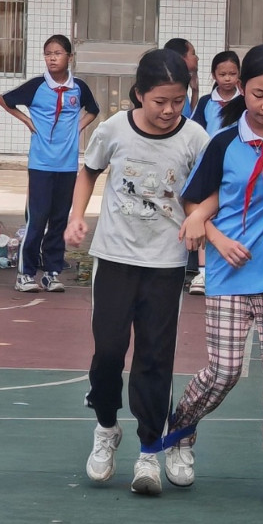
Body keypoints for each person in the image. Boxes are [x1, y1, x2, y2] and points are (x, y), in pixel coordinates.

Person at [164, 45, 263, 505]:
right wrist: (217, 240)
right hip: (229, 276)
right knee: (224, 371)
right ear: (241, 89)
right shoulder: (223, 143)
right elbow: (193, 202)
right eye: (258, 94)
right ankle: (181, 429)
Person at [65, 49, 209, 496]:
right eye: (160, 101)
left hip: (165, 264)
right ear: (139, 94)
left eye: (178, 101)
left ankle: (150, 450)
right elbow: (88, 172)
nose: (169, 110)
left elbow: (211, 190)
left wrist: (199, 217)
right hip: (114, 258)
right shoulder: (113, 130)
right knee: (109, 352)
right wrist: (76, 216)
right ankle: (107, 427)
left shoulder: (195, 138)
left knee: (154, 358)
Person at [0, 35, 100, 292]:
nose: (52, 58)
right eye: (48, 54)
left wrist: (77, 127)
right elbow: (4, 100)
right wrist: (27, 120)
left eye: (57, 53)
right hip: (41, 164)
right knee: (37, 219)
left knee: (59, 220)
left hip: (67, 166)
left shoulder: (78, 87)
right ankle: (25, 274)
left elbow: (94, 110)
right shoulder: (36, 86)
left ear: (70, 57)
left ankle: (51, 273)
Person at [188, 50, 242, 296]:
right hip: (210, 165)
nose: (228, 79)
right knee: (204, 215)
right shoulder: (206, 102)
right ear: (213, 75)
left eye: (232, 73)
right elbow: (196, 130)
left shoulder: (245, 101)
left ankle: (230, 264)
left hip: (237, 165)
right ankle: (202, 272)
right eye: (223, 74)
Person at [164, 38, 200, 113]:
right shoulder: (169, 83)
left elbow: (189, 116)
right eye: (193, 54)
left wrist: (195, 91)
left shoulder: (181, 81)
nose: (197, 58)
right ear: (181, 58)